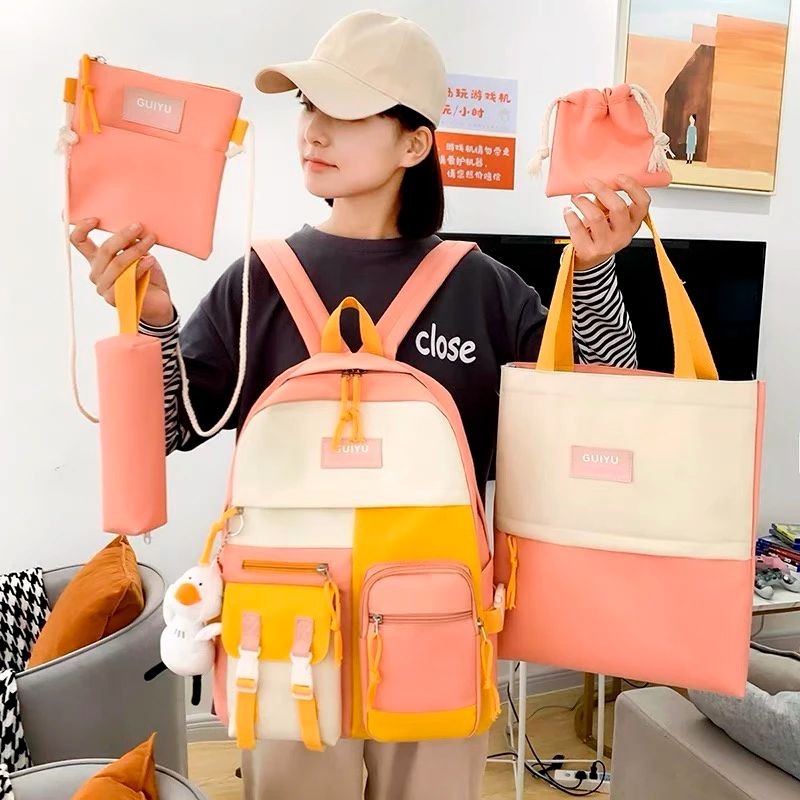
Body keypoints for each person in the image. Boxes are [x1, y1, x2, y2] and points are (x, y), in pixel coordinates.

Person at [69, 10, 650, 800]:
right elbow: (174, 425)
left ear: (416, 143)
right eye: (308, 106)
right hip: (288, 632)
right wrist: (155, 320)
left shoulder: (482, 286)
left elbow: (604, 413)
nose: (313, 128)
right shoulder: (258, 280)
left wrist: (592, 277)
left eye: (344, 111)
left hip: (430, 628)